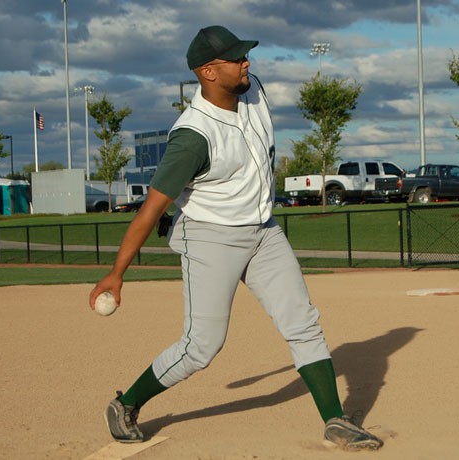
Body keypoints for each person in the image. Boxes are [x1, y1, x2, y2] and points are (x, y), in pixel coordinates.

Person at [88, 25, 383, 451]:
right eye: (236, 58)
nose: (247, 62)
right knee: (201, 347)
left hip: (263, 231)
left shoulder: (253, 89)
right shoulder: (193, 137)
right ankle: (126, 404)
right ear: (208, 71)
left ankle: (335, 421)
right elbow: (150, 210)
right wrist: (117, 273)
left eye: (245, 55)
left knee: (302, 323)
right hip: (210, 238)